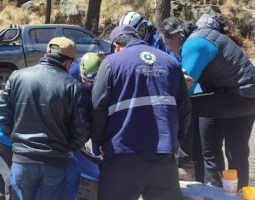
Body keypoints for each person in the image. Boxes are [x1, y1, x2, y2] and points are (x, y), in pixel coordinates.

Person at [91, 25, 191, 200]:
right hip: (163, 154)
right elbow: (184, 109)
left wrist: (98, 141)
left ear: (116, 46)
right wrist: (177, 142)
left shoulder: (111, 63)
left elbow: (98, 106)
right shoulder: (170, 62)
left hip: (122, 154)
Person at [158, 16, 255, 189]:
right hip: (244, 96)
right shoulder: (204, 36)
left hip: (238, 95)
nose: (169, 49)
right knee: (236, 150)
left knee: (188, 107)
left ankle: (187, 165)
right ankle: (234, 191)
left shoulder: (193, 44)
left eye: (168, 44)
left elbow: (185, 91)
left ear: (177, 37)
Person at [0, 37, 91, 200]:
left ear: (46, 54)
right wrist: (67, 148)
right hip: (55, 162)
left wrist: (16, 141)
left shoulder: (17, 77)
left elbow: (1, 117)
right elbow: (81, 130)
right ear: (68, 63)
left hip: (22, 160)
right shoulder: (74, 86)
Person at [65, 52, 103, 200]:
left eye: (91, 81)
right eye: (85, 80)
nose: (87, 83)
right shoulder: (71, 72)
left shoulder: (103, 74)